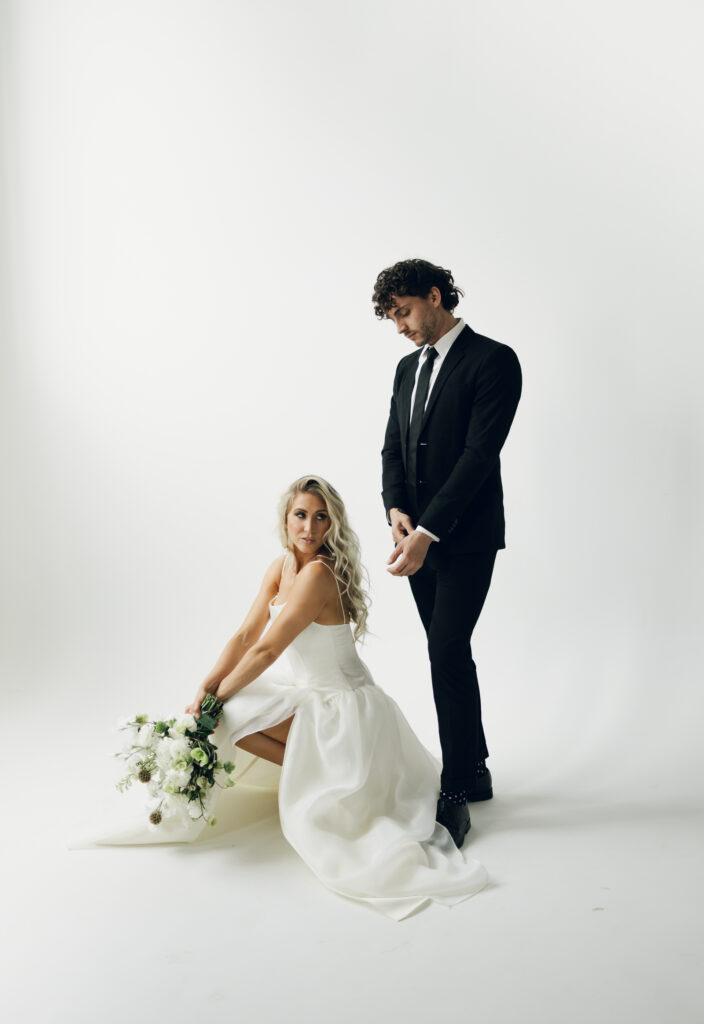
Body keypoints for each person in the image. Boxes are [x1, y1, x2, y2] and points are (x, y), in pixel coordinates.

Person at [90, 475, 488, 921]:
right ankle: (316, 771)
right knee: (234, 715)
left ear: (332, 525)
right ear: (286, 519)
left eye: (322, 518)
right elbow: (246, 635)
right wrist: (206, 686)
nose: (310, 528)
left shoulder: (320, 573)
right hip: (309, 697)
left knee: (231, 713)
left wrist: (217, 700)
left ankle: (332, 775)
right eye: (301, 515)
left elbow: (268, 649)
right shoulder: (280, 566)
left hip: (345, 710)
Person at [375, 258, 522, 849]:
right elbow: (392, 446)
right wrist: (395, 509)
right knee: (448, 653)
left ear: (435, 297)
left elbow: (479, 456)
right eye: (392, 319)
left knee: (445, 647)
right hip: (414, 539)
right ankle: (477, 768)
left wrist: (429, 529)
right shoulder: (406, 368)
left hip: (463, 538)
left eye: (404, 312)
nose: (401, 327)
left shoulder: (494, 360)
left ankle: (458, 783)